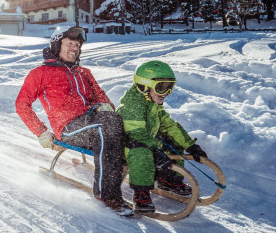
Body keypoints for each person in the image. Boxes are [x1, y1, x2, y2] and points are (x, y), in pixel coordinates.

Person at [15, 26, 133, 216]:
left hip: (94, 122)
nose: (74, 48)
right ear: (56, 45)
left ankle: (152, 176)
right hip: (69, 128)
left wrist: (106, 107)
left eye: (77, 45)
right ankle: (108, 195)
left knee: (120, 122)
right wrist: (41, 131)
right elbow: (22, 104)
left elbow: (103, 99)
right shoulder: (40, 73)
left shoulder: (83, 72)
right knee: (106, 125)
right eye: (69, 43)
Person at [116, 60, 208, 213]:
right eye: (161, 87)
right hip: (127, 148)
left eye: (169, 87)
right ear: (143, 86)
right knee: (142, 151)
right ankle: (141, 193)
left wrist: (190, 145)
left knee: (171, 140)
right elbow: (137, 134)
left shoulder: (152, 104)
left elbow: (170, 126)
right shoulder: (130, 106)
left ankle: (169, 180)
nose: (166, 93)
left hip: (146, 142)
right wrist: (156, 151)